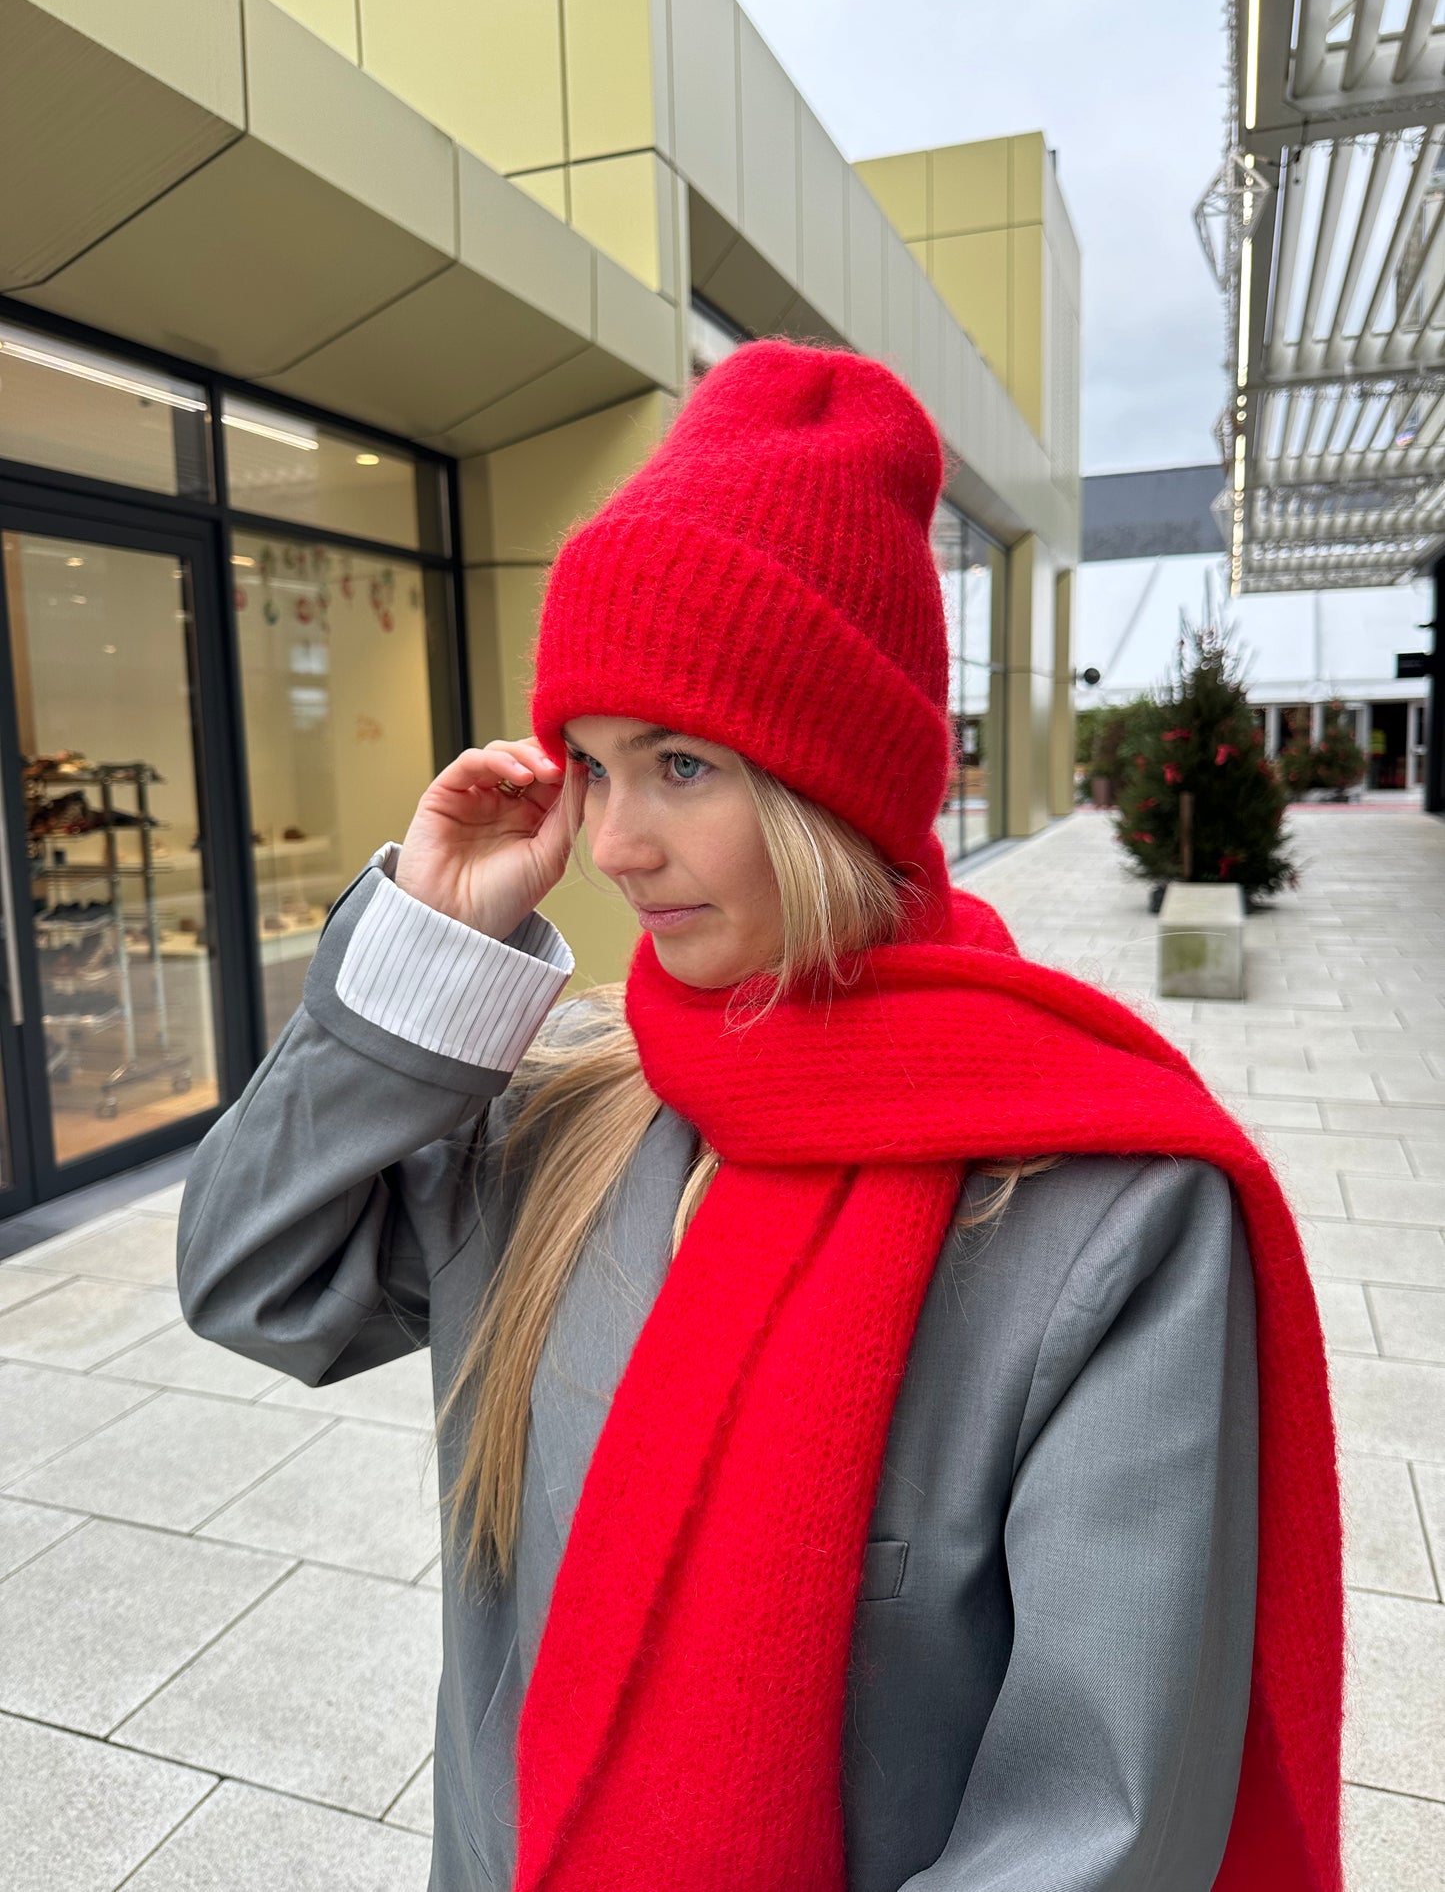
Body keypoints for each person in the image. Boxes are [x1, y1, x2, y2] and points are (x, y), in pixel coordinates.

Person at [176, 338, 1344, 1892]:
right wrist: (429, 960)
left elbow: (1091, 1829)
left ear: (831, 782)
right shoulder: (560, 1114)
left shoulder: (1101, 1211)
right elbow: (255, 1286)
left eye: (679, 763)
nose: (614, 843)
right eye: (589, 767)